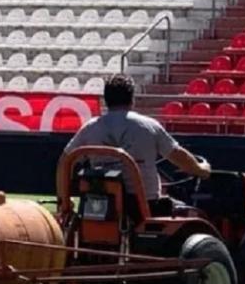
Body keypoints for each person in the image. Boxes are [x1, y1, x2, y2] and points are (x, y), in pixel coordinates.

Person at [63, 74, 211, 202]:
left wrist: (64, 200)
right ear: (132, 99)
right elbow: (179, 156)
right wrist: (200, 169)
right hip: (145, 206)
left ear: (105, 100)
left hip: (99, 202)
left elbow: (64, 162)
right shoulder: (149, 126)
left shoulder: (89, 128)